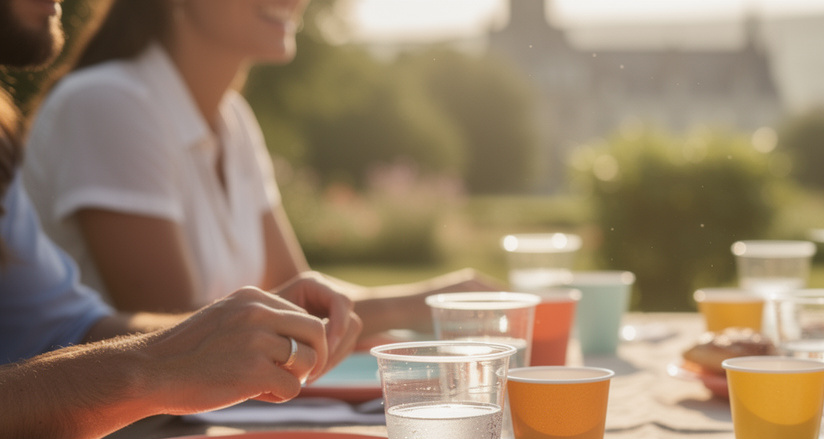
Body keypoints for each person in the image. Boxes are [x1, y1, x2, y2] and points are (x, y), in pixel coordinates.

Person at [0, 0, 362, 439]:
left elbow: (67, 325)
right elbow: (151, 342)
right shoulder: (108, 101)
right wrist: (155, 367)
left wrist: (228, 329)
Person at [20, 0, 498, 335]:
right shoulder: (108, 104)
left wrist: (438, 307)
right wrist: (435, 303)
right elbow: (182, 341)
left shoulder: (233, 120)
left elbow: (309, 305)